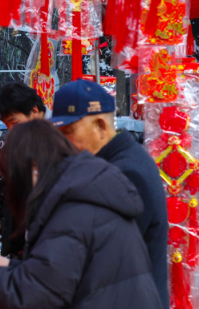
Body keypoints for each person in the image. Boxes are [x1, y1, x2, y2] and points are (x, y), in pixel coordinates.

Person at [0, 120, 162, 309]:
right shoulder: (79, 187)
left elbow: (37, 294)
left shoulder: (72, 204)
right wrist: (12, 267)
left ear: (32, 167)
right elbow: (62, 271)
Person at [51, 79, 168, 307]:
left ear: (101, 126)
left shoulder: (125, 173)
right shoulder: (115, 163)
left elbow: (93, 259)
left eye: (69, 132)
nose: (64, 143)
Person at [0, 82, 47, 258]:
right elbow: (0, 201)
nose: (11, 130)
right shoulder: (15, 146)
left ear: (34, 111)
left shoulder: (60, 146)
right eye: (7, 125)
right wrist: (8, 232)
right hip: (18, 252)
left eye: (14, 122)